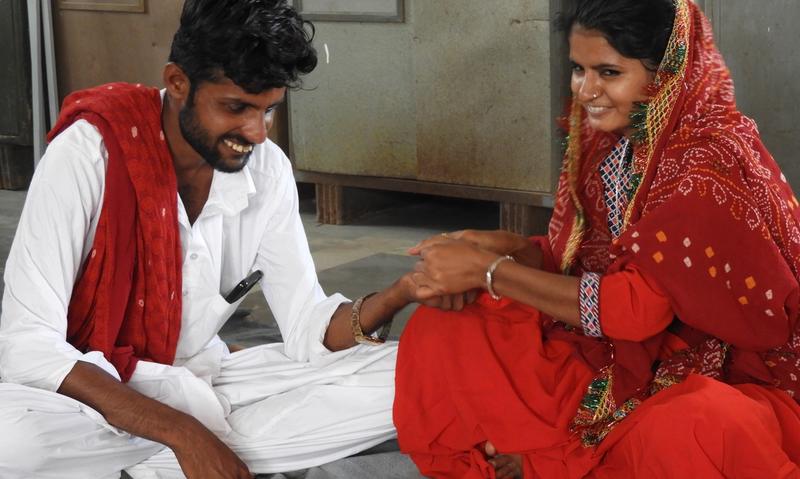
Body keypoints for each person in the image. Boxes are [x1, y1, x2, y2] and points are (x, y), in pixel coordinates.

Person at [0, 1, 431, 477]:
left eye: (268, 111)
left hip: (205, 380)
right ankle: (193, 455)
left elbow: (306, 326)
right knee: (12, 443)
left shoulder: (267, 170)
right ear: (177, 83)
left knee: (414, 371)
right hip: (90, 396)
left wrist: (400, 294)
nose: (255, 133)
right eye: (236, 108)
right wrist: (185, 433)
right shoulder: (87, 155)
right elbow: (28, 345)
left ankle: (164, 463)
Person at [394, 0, 800, 477]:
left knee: (695, 426)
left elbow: (636, 310)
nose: (587, 91)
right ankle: (555, 451)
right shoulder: (614, 139)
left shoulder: (706, 162)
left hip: (730, 368)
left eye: (608, 72)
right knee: (448, 327)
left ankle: (555, 455)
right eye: (578, 70)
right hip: (628, 352)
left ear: (666, 75)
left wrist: (491, 272)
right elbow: (593, 261)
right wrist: (511, 248)